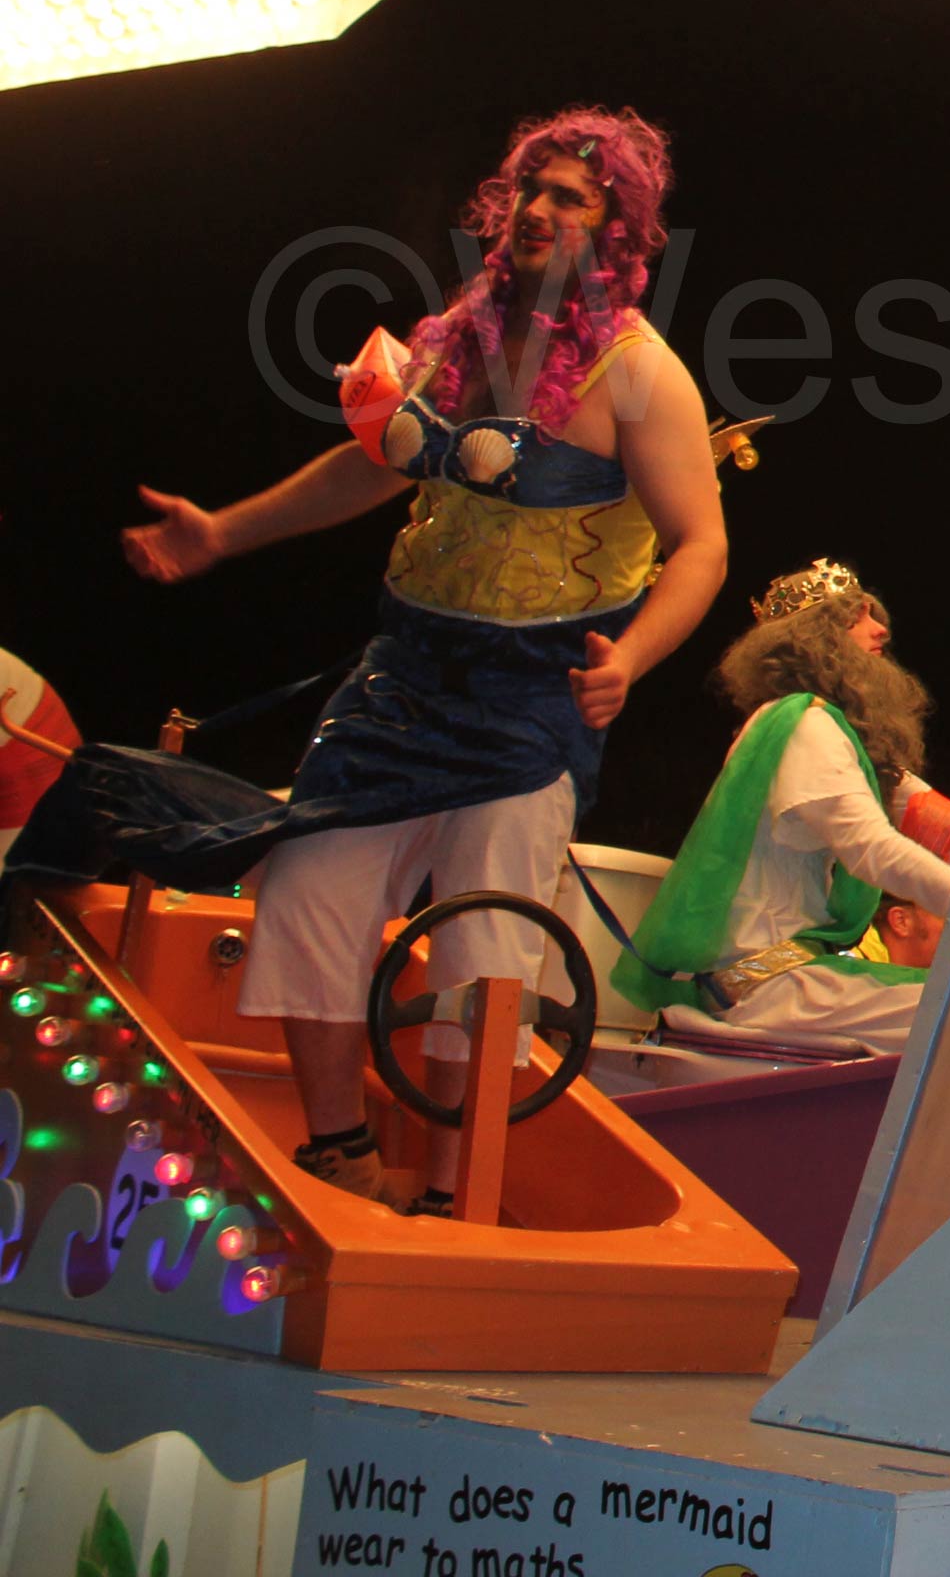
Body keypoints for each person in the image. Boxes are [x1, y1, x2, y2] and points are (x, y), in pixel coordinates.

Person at [121, 107, 726, 1209]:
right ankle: (341, 1151)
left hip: (530, 695)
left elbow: (702, 545)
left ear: (616, 230)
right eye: (531, 189)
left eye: (571, 198)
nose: (540, 210)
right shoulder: (457, 338)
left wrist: (631, 659)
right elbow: (369, 467)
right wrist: (221, 534)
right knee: (305, 886)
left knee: (484, 950)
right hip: (403, 675)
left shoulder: (641, 374)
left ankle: (453, 1190)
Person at [612, 561, 950, 1053]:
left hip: (792, 983)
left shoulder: (829, 734)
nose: (881, 629)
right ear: (819, 638)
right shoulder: (804, 727)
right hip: (771, 987)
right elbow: (873, 850)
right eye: (858, 616)